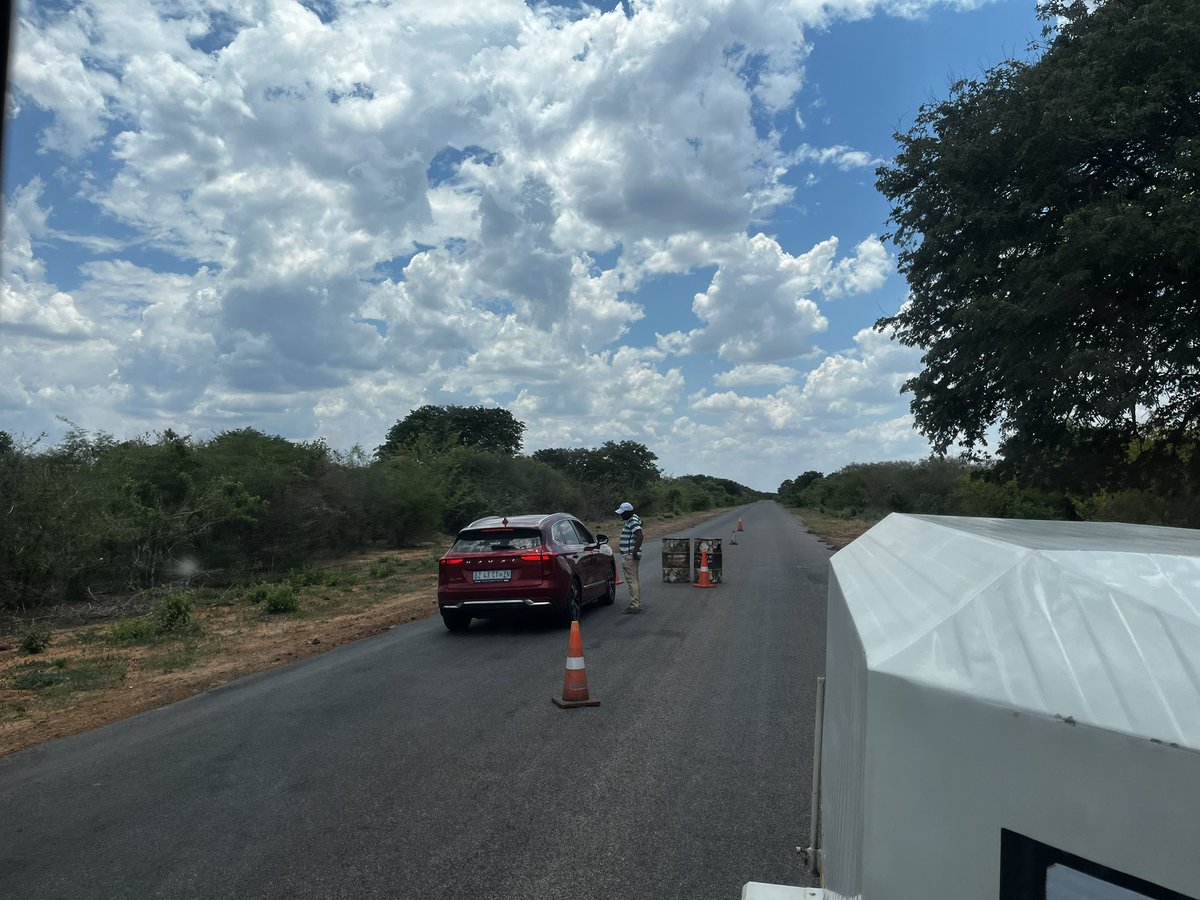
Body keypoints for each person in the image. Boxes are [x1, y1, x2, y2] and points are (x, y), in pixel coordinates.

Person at [615, 501, 643, 614]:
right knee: (635, 580)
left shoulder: (632, 521)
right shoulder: (634, 518)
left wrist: (635, 551)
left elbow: (640, 536)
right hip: (632, 554)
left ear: (628, 512)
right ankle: (636, 602)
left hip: (629, 554)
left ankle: (634, 605)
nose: (621, 515)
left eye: (623, 513)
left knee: (631, 580)